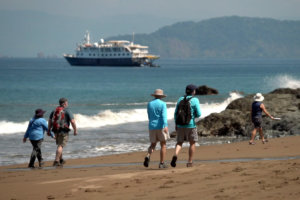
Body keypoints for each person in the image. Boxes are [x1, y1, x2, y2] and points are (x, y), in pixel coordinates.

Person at [171, 84, 201, 168]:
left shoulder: (180, 99)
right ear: (193, 91)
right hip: (190, 125)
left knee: (179, 142)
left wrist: (176, 124)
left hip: (180, 124)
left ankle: (175, 154)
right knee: (192, 143)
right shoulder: (195, 100)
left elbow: (176, 113)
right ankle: (189, 162)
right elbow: (199, 114)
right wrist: (193, 115)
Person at [48, 98, 77, 166]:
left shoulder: (54, 110)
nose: (67, 104)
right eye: (67, 103)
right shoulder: (67, 110)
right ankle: (57, 160)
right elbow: (72, 121)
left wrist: (49, 130)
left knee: (59, 145)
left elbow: (49, 121)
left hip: (55, 130)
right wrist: (75, 130)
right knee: (60, 146)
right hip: (64, 130)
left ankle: (61, 160)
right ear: (64, 103)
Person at [144, 89, 169, 169]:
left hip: (152, 126)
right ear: (161, 96)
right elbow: (164, 116)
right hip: (161, 126)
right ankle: (161, 163)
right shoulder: (163, 104)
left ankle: (148, 155)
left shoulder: (149, 104)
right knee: (163, 145)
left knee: (153, 144)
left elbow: (149, 115)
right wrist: (165, 125)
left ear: (154, 95)